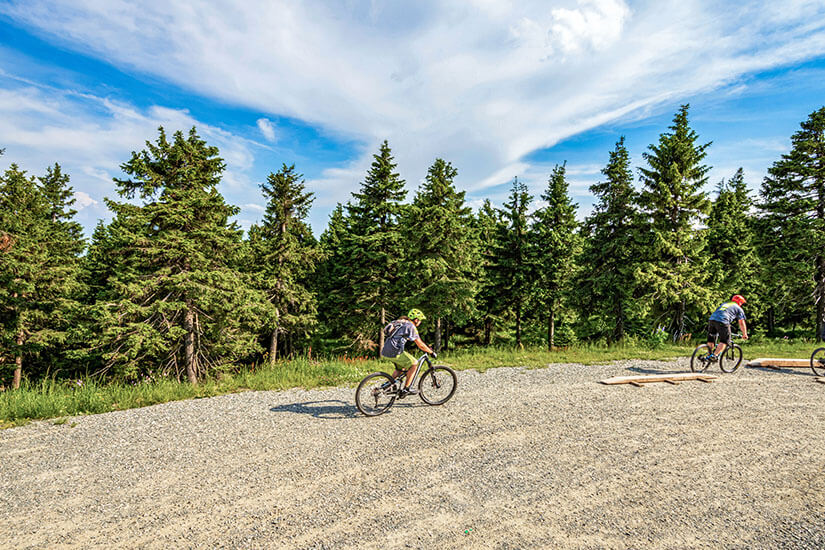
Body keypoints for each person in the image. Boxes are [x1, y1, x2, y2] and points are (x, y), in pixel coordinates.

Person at [381, 309, 436, 397]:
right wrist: (431, 352)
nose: (420, 322)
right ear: (416, 320)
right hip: (395, 351)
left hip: (386, 350)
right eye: (420, 320)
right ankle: (407, 389)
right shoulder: (411, 326)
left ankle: (387, 385)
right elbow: (420, 344)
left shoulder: (401, 322)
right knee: (414, 363)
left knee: (400, 370)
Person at [706, 294, 749, 361]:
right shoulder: (738, 308)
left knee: (711, 339)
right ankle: (714, 355)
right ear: (740, 302)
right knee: (725, 340)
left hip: (712, 320)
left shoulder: (725, 304)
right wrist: (744, 334)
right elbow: (741, 322)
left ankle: (708, 355)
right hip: (723, 321)